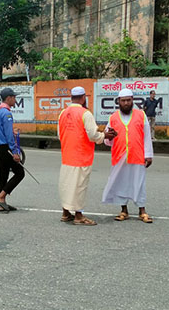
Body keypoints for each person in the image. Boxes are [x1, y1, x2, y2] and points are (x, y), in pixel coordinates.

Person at [101, 88, 154, 223]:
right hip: (119, 156)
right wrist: (109, 135)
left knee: (139, 183)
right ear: (119, 101)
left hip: (137, 155)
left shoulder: (141, 115)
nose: (126, 103)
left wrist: (148, 155)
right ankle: (124, 210)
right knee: (121, 183)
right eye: (123, 101)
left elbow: (147, 136)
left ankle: (142, 211)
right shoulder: (113, 117)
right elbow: (107, 141)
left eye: (128, 101)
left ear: (132, 101)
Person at [57, 86, 106, 226]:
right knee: (79, 186)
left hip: (67, 155)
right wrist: (103, 136)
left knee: (67, 185)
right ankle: (78, 216)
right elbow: (93, 135)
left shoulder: (63, 113)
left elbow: (59, 135)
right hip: (81, 156)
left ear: (71, 97)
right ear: (84, 97)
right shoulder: (85, 114)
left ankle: (66, 212)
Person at [0, 87, 25, 211]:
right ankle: (1, 196)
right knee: (20, 173)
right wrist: (15, 151)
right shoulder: (7, 113)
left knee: (3, 174)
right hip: (6, 148)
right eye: (14, 97)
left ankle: (2, 203)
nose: (15, 100)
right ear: (9, 98)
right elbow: (9, 136)